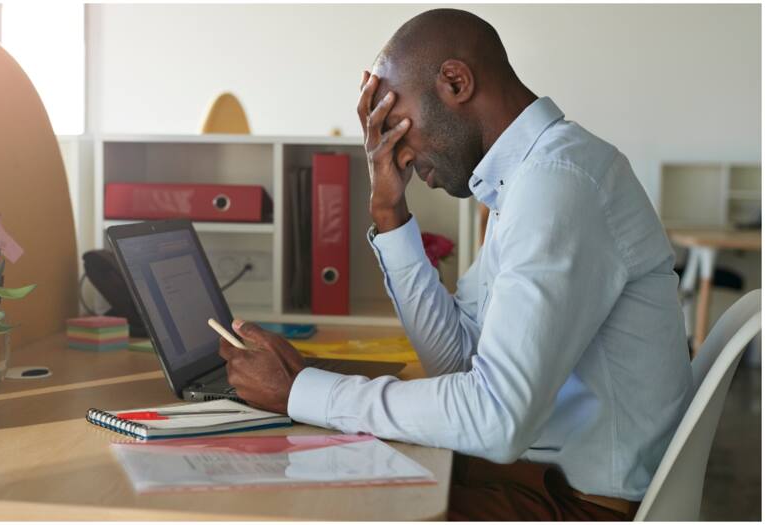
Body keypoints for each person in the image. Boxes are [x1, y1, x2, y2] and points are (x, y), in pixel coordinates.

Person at [218, 8, 694, 521]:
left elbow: (495, 417)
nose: (394, 152)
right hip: (531, 479)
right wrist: (389, 212)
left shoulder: (558, 183)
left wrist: (301, 391)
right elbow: (459, 364)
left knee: (312, 501)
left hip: (578, 505)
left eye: (397, 125)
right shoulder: (527, 181)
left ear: (455, 81)